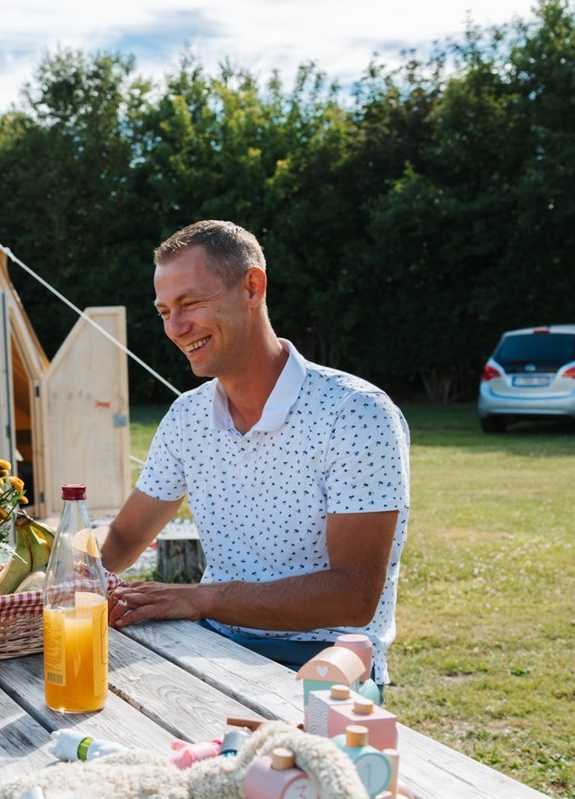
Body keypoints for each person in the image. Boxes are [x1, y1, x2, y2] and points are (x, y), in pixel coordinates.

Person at [101, 220, 410, 694]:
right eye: (164, 311)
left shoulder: (356, 414)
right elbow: (123, 538)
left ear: (252, 286)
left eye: (191, 303)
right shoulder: (187, 417)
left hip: (329, 665)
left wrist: (199, 598)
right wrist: (38, 578)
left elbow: (353, 596)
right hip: (212, 646)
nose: (175, 328)